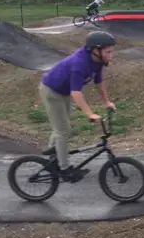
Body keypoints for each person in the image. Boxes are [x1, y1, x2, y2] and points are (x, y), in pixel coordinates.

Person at [39, 31, 117, 182]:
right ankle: (64, 169)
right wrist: (89, 114)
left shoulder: (97, 61)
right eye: (108, 52)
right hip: (51, 91)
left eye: (112, 51)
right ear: (96, 50)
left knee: (62, 126)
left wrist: (106, 102)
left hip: (64, 92)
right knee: (63, 130)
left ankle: (52, 152)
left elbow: (99, 82)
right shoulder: (79, 63)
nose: (111, 55)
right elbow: (76, 93)